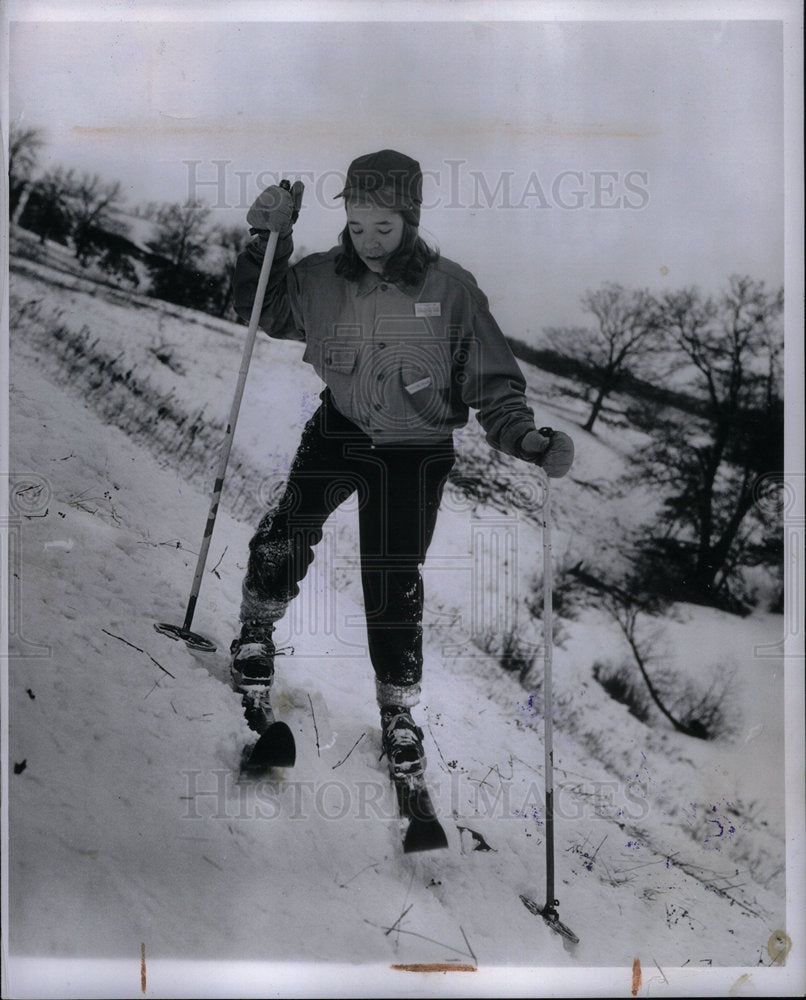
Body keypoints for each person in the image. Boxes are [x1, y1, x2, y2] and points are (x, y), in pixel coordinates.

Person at [231, 149, 574, 785]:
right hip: (341, 429)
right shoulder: (323, 276)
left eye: (383, 228)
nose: (368, 242)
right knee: (291, 525)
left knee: (392, 575)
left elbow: (494, 385)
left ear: (411, 221)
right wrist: (266, 242)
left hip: (416, 453)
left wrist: (526, 440)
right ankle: (255, 629)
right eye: (357, 226)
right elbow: (263, 308)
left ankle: (398, 713)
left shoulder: (452, 291)